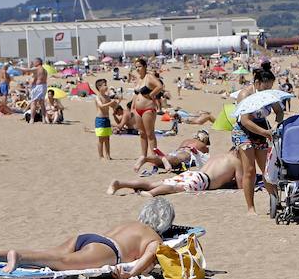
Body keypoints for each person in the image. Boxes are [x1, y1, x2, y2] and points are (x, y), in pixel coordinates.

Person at [0, 198, 174, 279]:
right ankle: (19, 258)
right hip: (108, 251)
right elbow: (145, 259)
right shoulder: (154, 238)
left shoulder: (131, 223)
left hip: (88, 237)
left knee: (49, 255)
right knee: (60, 262)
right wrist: (128, 274)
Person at [232, 68, 283, 215]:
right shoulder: (245, 94)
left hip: (261, 129)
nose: (268, 90)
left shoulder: (269, 96)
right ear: (257, 83)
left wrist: (275, 125)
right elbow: (246, 121)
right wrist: (265, 133)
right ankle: (251, 208)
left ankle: (275, 202)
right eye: (266, 87)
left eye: (270, 87)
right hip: (243, 131)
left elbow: (279, 111)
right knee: (250, 170)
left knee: (267, 170)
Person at [108, 149, 243, 197]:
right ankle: (151, 194)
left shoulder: (219, 156)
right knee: (175, 188)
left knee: (153, 183)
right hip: (202, 180)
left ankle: (120, 184)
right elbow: (241, 185)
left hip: (192, 174)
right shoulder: (236, 161)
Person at [93, 77, 119, 159]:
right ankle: (101, 156)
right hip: (100, 119)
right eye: (105, 85)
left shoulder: (107, 97)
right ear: (99, 87)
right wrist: (110, 102)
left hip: (107, 119)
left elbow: (114, 106)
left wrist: (117, 102)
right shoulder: (98, 97)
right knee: (101, 139)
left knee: (107, 138)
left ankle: (108, 155)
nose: (106, 86)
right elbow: (101, 106)